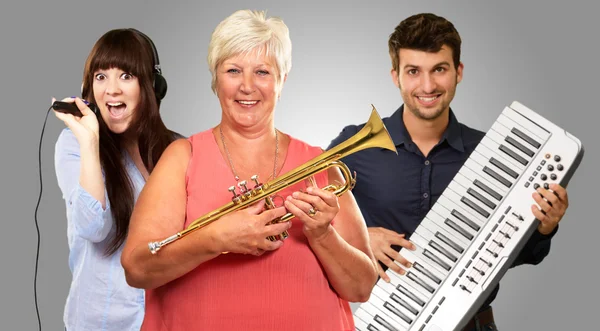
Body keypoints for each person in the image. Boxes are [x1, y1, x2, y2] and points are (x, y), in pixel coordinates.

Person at [120, 9, 377, 331]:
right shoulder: (181, 157)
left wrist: (323, 234)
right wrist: (216, 238)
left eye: (262, 72)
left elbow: (362, 288)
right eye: (233, 70)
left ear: (282, 80)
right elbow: (137, 269)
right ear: (216, 79)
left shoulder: (320, 166)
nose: (247, 86)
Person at [327, 13, 570, 331]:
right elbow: (302, 223)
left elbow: (519, 254)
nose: (427, 86)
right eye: (413, 71)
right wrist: (354, 239)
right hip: (382, 323)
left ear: (458, 72)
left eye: (439, 69)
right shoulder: (353, 145)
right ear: (395, 76)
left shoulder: (491, 151)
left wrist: (544, 227)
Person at [53, 28, 180, 331]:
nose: (112, 89)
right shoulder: (73, 144)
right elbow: (94, 227)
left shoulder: (177, 150)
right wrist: (90, 141)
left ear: (152, 85)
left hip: (162, 320)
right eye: (101, 76)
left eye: (126, 76)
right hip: (100, 323)